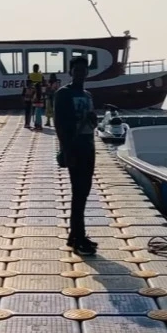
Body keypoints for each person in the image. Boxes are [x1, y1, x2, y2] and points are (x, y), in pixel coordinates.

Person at [54, 56, 98, 256]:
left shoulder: (87, 95)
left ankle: (76, 234)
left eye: (84, 70)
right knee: (78, 192)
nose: (81, 73)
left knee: (85, 191)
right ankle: (78, 237)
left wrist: (93, 120)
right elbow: (59, 125)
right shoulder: (63, 94)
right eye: (77, 70)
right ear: (71, 72)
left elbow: (92, 124)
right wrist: (66, 149)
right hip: (74, 146)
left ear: (87, 72)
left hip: (88, 145)